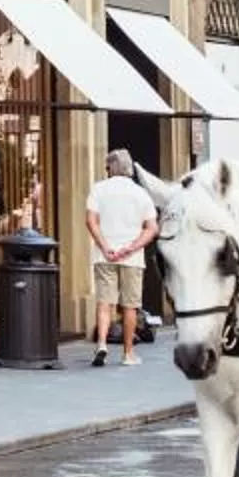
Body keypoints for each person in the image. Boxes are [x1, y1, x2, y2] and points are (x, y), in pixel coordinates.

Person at [83, 150, 158, 365]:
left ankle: (102, 344)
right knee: (130, 306)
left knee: (104, 303)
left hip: (105, 256)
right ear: (129, 168)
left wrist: (106, 247)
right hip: (132, 258)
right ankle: (128, 354)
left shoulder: (98, 189)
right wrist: (131, 247)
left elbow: (91, 221)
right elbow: (152, 228)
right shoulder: (140, 193)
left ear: (110, 169)